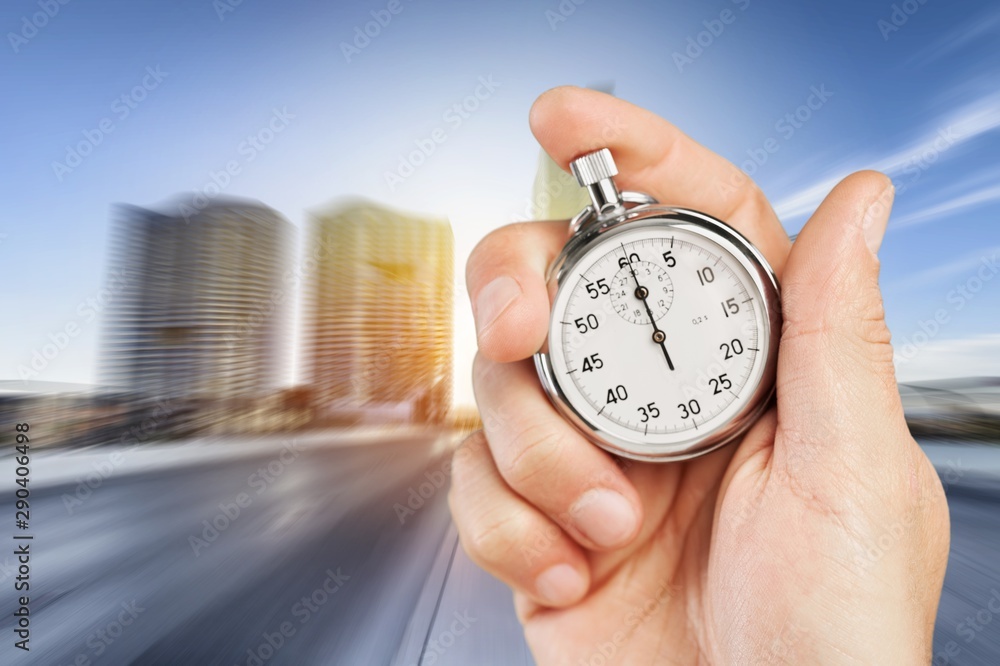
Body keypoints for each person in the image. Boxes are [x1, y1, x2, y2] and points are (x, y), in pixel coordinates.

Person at [448, 86, 950, 664]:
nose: (658, 335)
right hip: (647, 508)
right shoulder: (582, 306)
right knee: (513, 340)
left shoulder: (716, 267)